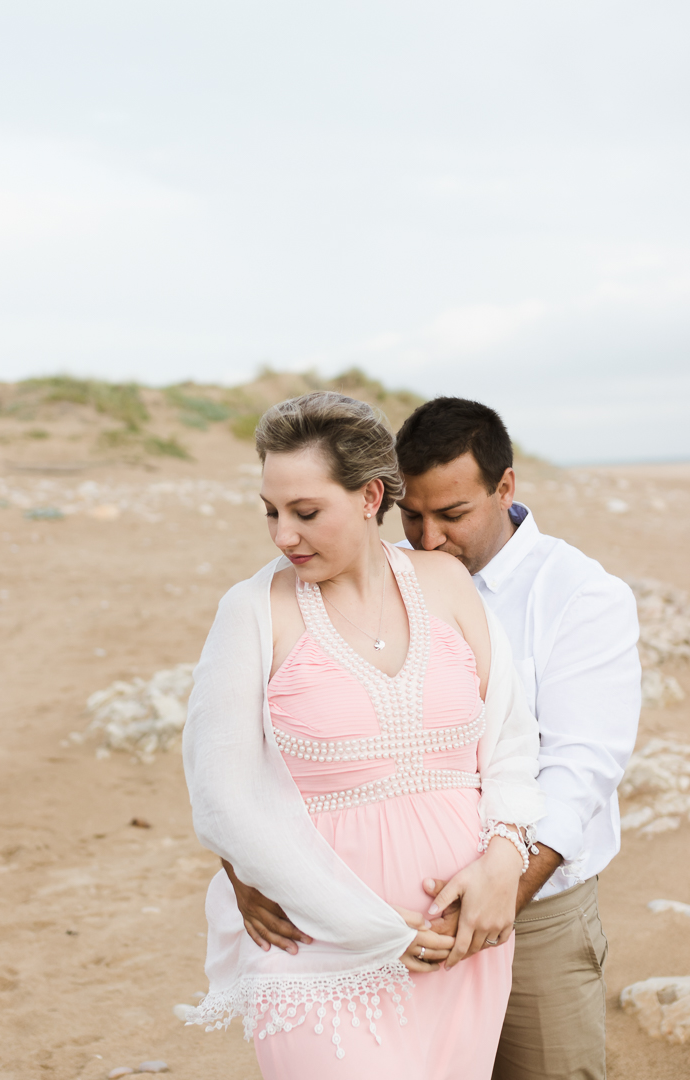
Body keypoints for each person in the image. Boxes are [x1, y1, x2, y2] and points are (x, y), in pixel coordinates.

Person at [229, 396, 641, 1080]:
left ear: (504, 488)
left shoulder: (579, 594)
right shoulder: (380, 576)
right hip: (378, 929)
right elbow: (272, 740)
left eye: (451, 515)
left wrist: (499, 889)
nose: (427, 537)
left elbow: (580, 769)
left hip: (534, 913)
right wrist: (246, 868)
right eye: (410, 515)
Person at [182, 392, 544, 1080]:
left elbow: (511, 744)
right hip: (320, 953)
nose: (283, 535)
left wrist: (503, 859)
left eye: (306, 512)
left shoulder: (446, 583)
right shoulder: (252, 611)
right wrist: (369, 931)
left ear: (371, 494)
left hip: (461, 949)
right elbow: (221, 801)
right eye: (271, 511)